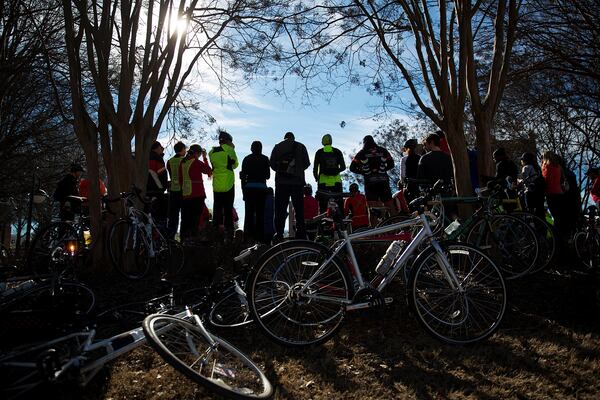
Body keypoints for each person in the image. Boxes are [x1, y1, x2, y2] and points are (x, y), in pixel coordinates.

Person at [270, 131, 311, 241]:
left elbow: (272, 164)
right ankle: (301, 233)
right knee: (299, 209)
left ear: (285, 138)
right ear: (293, 138)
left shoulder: (277, 147)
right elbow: (306, 163)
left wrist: (282, 169)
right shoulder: (301, 146)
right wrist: (297, 170)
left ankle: (279, 234)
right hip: (297, 183)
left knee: (280, 210)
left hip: (281, 183)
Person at [349, 135, 395, 215]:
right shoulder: (383, 150)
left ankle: (375, 227)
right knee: (390, 205)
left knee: (372, 209)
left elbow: (352, 168)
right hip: (383, 181)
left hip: (370, 183)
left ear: (364, 143)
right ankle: (398, 225)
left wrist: (363, 172)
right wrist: (383, 170)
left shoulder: (361, 153)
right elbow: (391, 164)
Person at [209, 130, 238, 240]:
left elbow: (213, 165)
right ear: (228, 141)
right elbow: (235, 164)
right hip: (228, 183)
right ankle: (229, 234)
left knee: (217, 209)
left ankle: (216, 233)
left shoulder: (211, 152)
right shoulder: (230, 150)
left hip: (216, 184)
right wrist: (232, 149)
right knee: (228, 209)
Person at [240, 141, 270, 243]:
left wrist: (243, 191)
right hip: (262, 188)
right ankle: (260, 239)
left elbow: (243, 177)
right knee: (260, 214)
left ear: (251, 148)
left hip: (249, 188)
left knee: (249, 214)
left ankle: (248, 237)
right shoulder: (265, 159)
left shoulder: (247, 159)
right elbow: (268, 176)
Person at [179, 144, 212, 240]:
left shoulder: (183, 163)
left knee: (185, 219)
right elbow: (208, 171)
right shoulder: (196, 162)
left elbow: (181, 179)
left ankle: (183, 239)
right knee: (195, 219)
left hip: (185, 195)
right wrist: (205, 158)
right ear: (198, 153)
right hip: (197, 195)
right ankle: (193, 239)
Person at [313, 134, 346, 213]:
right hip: (336, 181)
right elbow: (343, 167)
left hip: (323, 182)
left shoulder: (319, 152)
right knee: (339, 203)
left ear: (323, 142)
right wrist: (335, 171)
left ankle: (323, 221)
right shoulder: (337, 151)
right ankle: (341, 221)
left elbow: (315, 168)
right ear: (331, 141)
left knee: (323, 205)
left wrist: (316, 177)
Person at [541, 151, 565, 237]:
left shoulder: (546, 166)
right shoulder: (558, 167)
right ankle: (561, 234)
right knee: (558, 215)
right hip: (559, 193)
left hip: (550, 193)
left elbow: (546, 180)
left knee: (552, 216)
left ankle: (554, 235)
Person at [166, 141, 187, 239]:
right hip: (183, 191)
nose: (186, 151)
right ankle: (183, 239)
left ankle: (170, 239)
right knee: (184, 217)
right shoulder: (185, 160)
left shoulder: (169, 161)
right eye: (185, 149)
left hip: (173, 191)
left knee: (173, 217)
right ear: (182, 149)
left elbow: (170, 174)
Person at [520, 152, 545, 220]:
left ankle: (533, 229)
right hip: (540, 193)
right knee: (540, 212)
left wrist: (518, 181)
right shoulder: (538, 168)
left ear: (525, 160)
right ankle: (543, 227)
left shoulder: (526, 167)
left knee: (531, 213)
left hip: (530, 193)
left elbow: (524, 180)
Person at [147, 141, 168, 223]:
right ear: (158, 147)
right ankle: (158, 234)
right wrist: (163, 187)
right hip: (157, 189)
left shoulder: (146, 157)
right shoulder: (157, 158)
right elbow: (161, 174)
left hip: (147, 189)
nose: (162, 149)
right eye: (161, 147)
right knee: (160, 214)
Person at [400, 138, 420, 203]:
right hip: (420, 184)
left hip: (410, 185)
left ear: (406, 148)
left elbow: (402, 175)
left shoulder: (404, 159)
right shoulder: (421, 158)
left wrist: (403, 182)